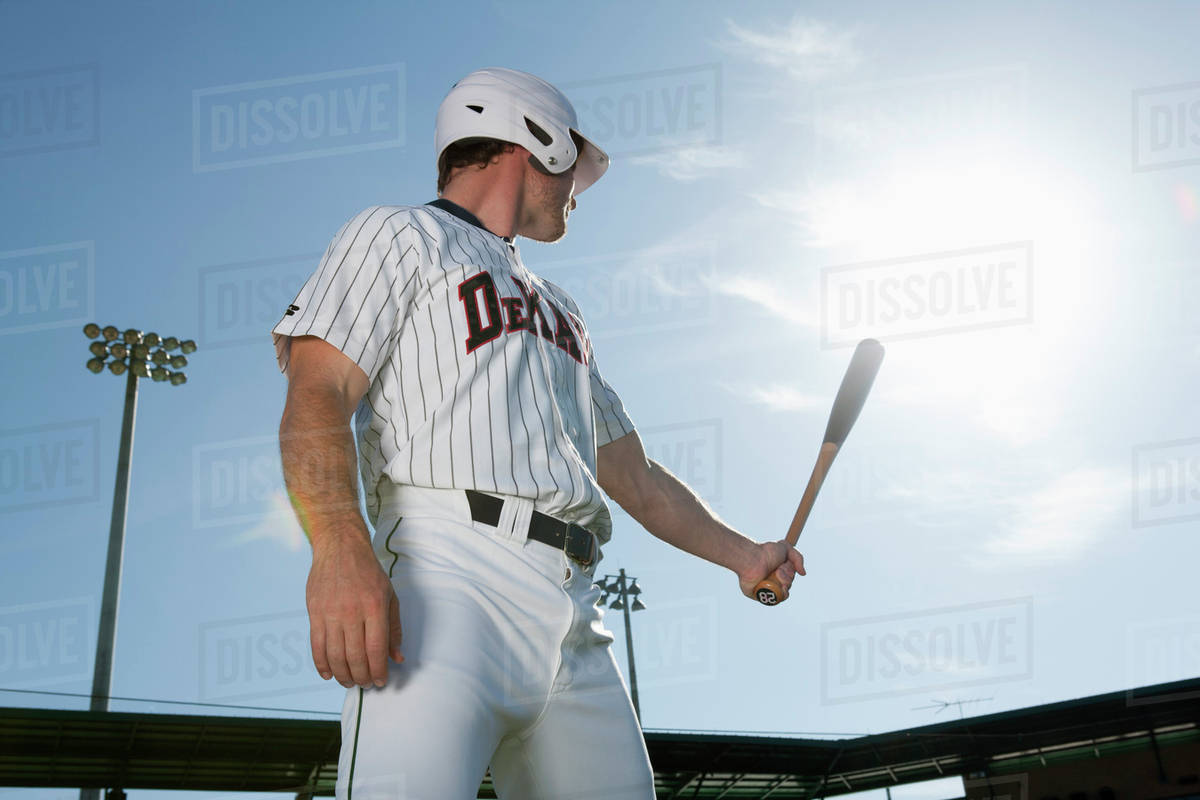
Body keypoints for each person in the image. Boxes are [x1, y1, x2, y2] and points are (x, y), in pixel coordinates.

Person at [272, 67, 805, 800]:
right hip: (444, 579)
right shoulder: (400, 232)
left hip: (576, 608)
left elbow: (637, 480)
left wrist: (745, 554)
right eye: (572, 169)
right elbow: (317, 394)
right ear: (537, 141)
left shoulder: (564, 307)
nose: (577, 191)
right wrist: (337, 547)